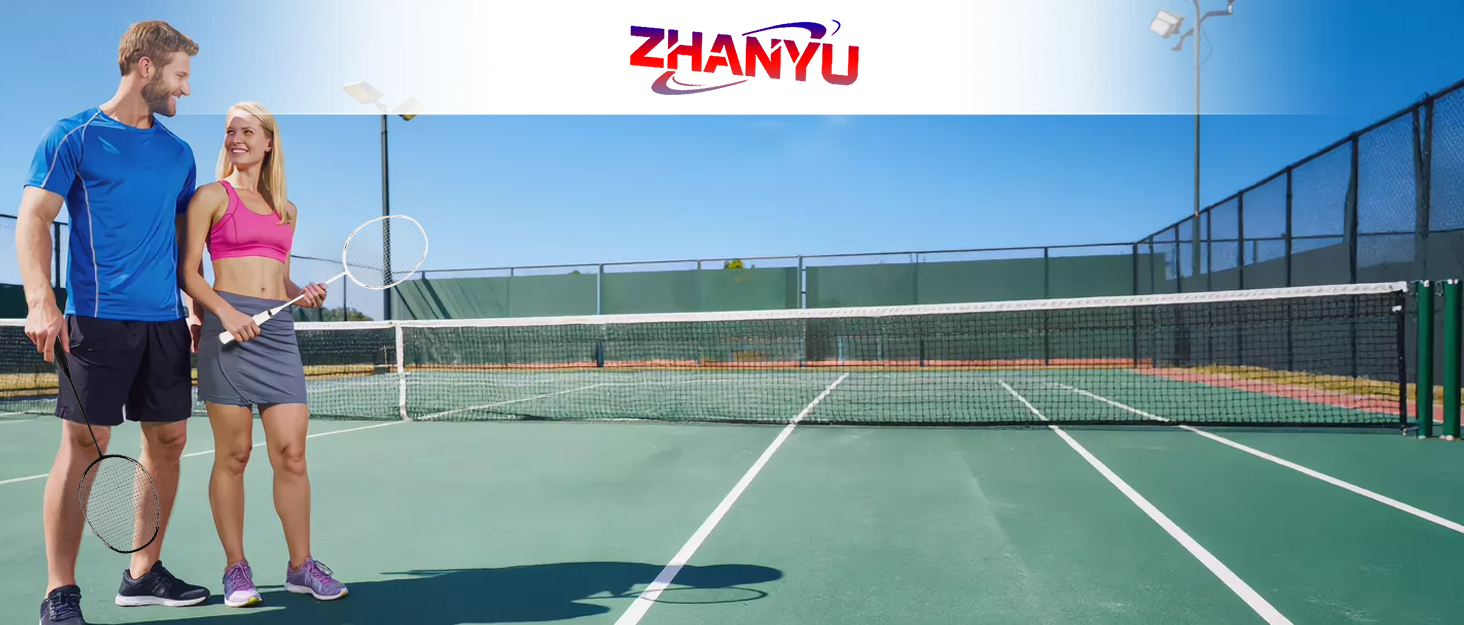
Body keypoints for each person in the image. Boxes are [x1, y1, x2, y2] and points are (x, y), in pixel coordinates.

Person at [18, 20, 213, 625]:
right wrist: (40, 299)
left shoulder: (179, 153)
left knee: (171, 440)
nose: (185, 90)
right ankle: (60, 591)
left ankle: (143, 572)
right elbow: (33, 218)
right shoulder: (73, 134)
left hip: (164, 325)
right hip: (96, 321)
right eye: (180, 76)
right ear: (147, 67)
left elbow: (187, 242)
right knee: (86, 446)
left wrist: (198, 305)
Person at [178, 100, 347, 609]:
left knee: (292, 456)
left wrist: (303, 290)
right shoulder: (209, 196)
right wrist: (222, 314)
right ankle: (236, 567)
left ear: (269, 141)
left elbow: (277, 275)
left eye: (248, 131)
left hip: (276, 335)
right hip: (226, 333)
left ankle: (302, 566)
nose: (237, 139)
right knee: (234, 455)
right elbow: (189, 273)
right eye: (231, 131)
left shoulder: (286, 209)